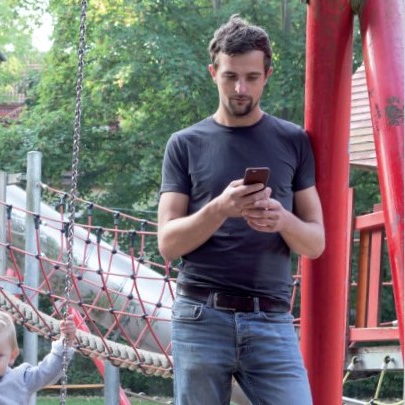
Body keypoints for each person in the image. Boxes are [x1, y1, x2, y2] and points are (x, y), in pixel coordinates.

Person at [157, 15, 325, 405]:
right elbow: (167, 243)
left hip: (271, 318)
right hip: (200, 314)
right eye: (230, 76)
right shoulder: (184, 144)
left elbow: (316, 243)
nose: (240, 88)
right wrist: (219, 208)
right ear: (213, 71)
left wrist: (282, 219)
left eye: (251, 77)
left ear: (267, 74)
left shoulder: (293, 140)